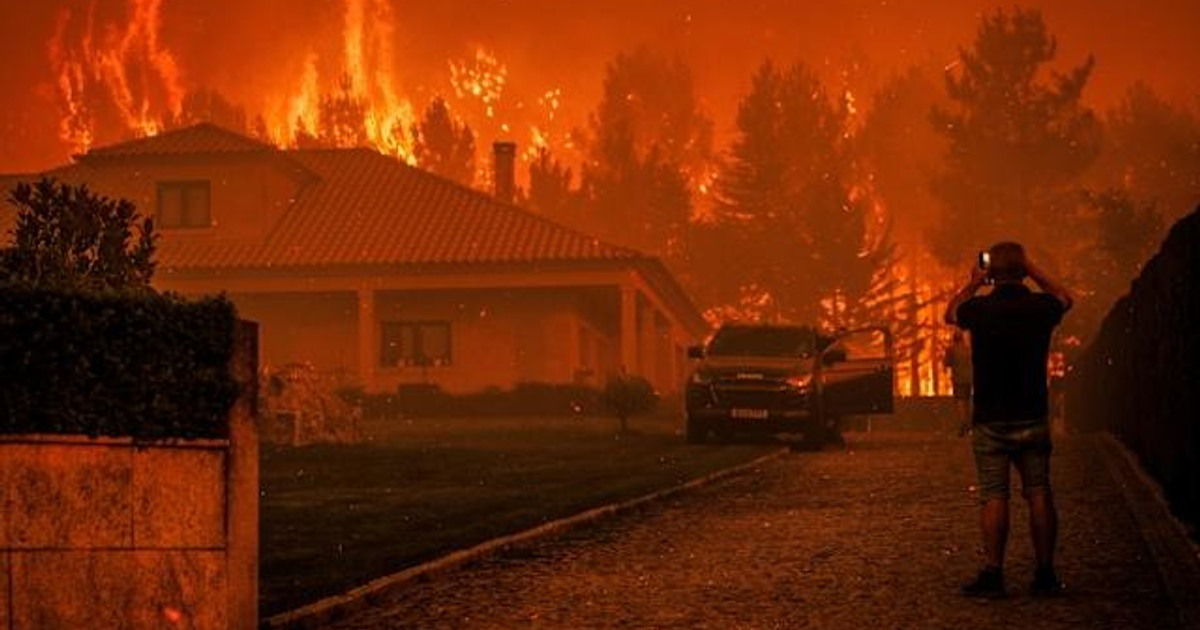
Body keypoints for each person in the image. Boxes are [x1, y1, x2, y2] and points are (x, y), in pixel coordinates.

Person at [944, 241, 1073, 598]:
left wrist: (974, 282)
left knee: (994, 495)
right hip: (1032, 412)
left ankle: (994, 572)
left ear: (992, 273)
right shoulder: (1041, 307)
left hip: (991, 417)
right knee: (1039, 492)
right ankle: (1045, 572)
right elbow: (1066, 297)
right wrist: (1033, 269)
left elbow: (950, 313)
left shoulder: (980, 310)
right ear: (1022, 269)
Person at [944, 330, 973, 435]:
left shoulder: (951, 349)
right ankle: (969, 424)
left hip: (958, 378)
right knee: (968, 401)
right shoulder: (968, 349)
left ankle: (963, 423)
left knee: (960, 401)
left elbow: (947, 363)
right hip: (969, 378)